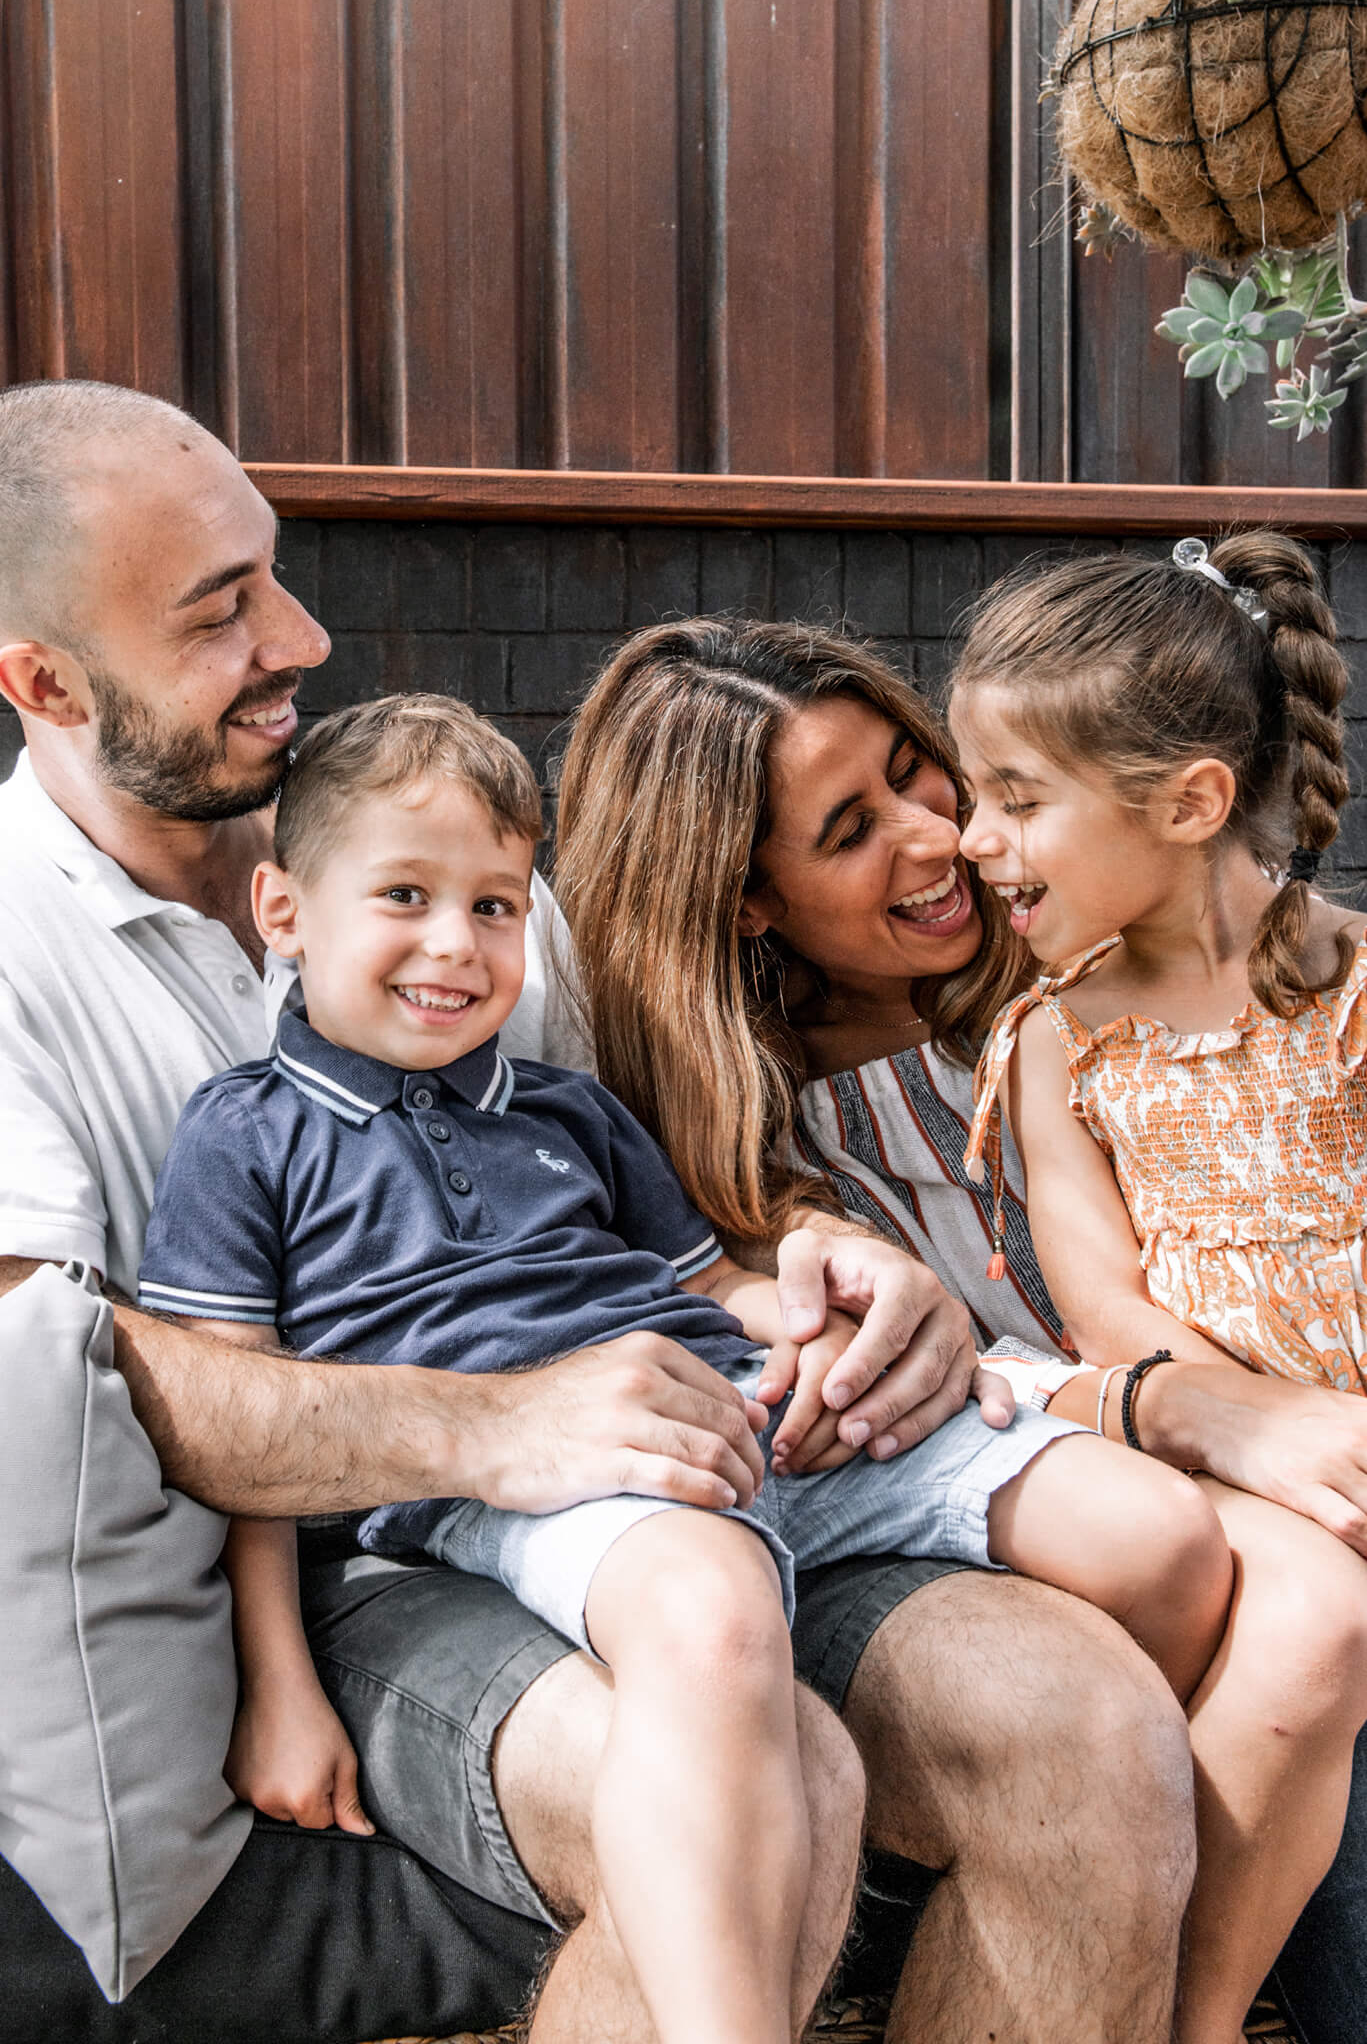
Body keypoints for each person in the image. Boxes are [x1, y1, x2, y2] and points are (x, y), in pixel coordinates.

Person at [0, 379, 1194, 2044]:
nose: (301, 631)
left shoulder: (449, 866)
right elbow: (126, 1374)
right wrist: (508, 1426)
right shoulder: (21, 964)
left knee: (1089, 1730)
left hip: (681, 1475)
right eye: (220, 613)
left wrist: (842, 1268)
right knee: (785, 1782)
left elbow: (649, 1222)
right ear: (42, 679)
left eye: (269, 571)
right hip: (369, 1568)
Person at [137, 692, 1238, 2044]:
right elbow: (235, 1428)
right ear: (282, 910)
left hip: (741, 1418)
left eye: (493, 906)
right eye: (404, 896)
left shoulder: (564, 1109)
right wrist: (279, 1684)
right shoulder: (244, 1134)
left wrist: (823, 1297)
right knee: (709, 1603)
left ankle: (940, 1913)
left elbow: (705, 1285)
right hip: (526, 1482)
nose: (454, 944)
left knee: (1148, 1528)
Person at [553, 612, 1367, 2044]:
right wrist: (1172, 1407)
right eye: (849, 828)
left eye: (922, 776)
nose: (939, 839)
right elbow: (927, 1406)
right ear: (746, 900)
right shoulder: (745, 1161)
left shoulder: (1124, 981)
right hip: (1130, 1529)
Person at [951, 533, 1364, 1408]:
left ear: (1187, 804)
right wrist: (1291, 1435)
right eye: (972, 794)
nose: (970, 839)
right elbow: (1103, 1313)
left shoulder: (1352, 990)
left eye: (1018, 800)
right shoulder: (1057, 1041)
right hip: (1235, 1457)